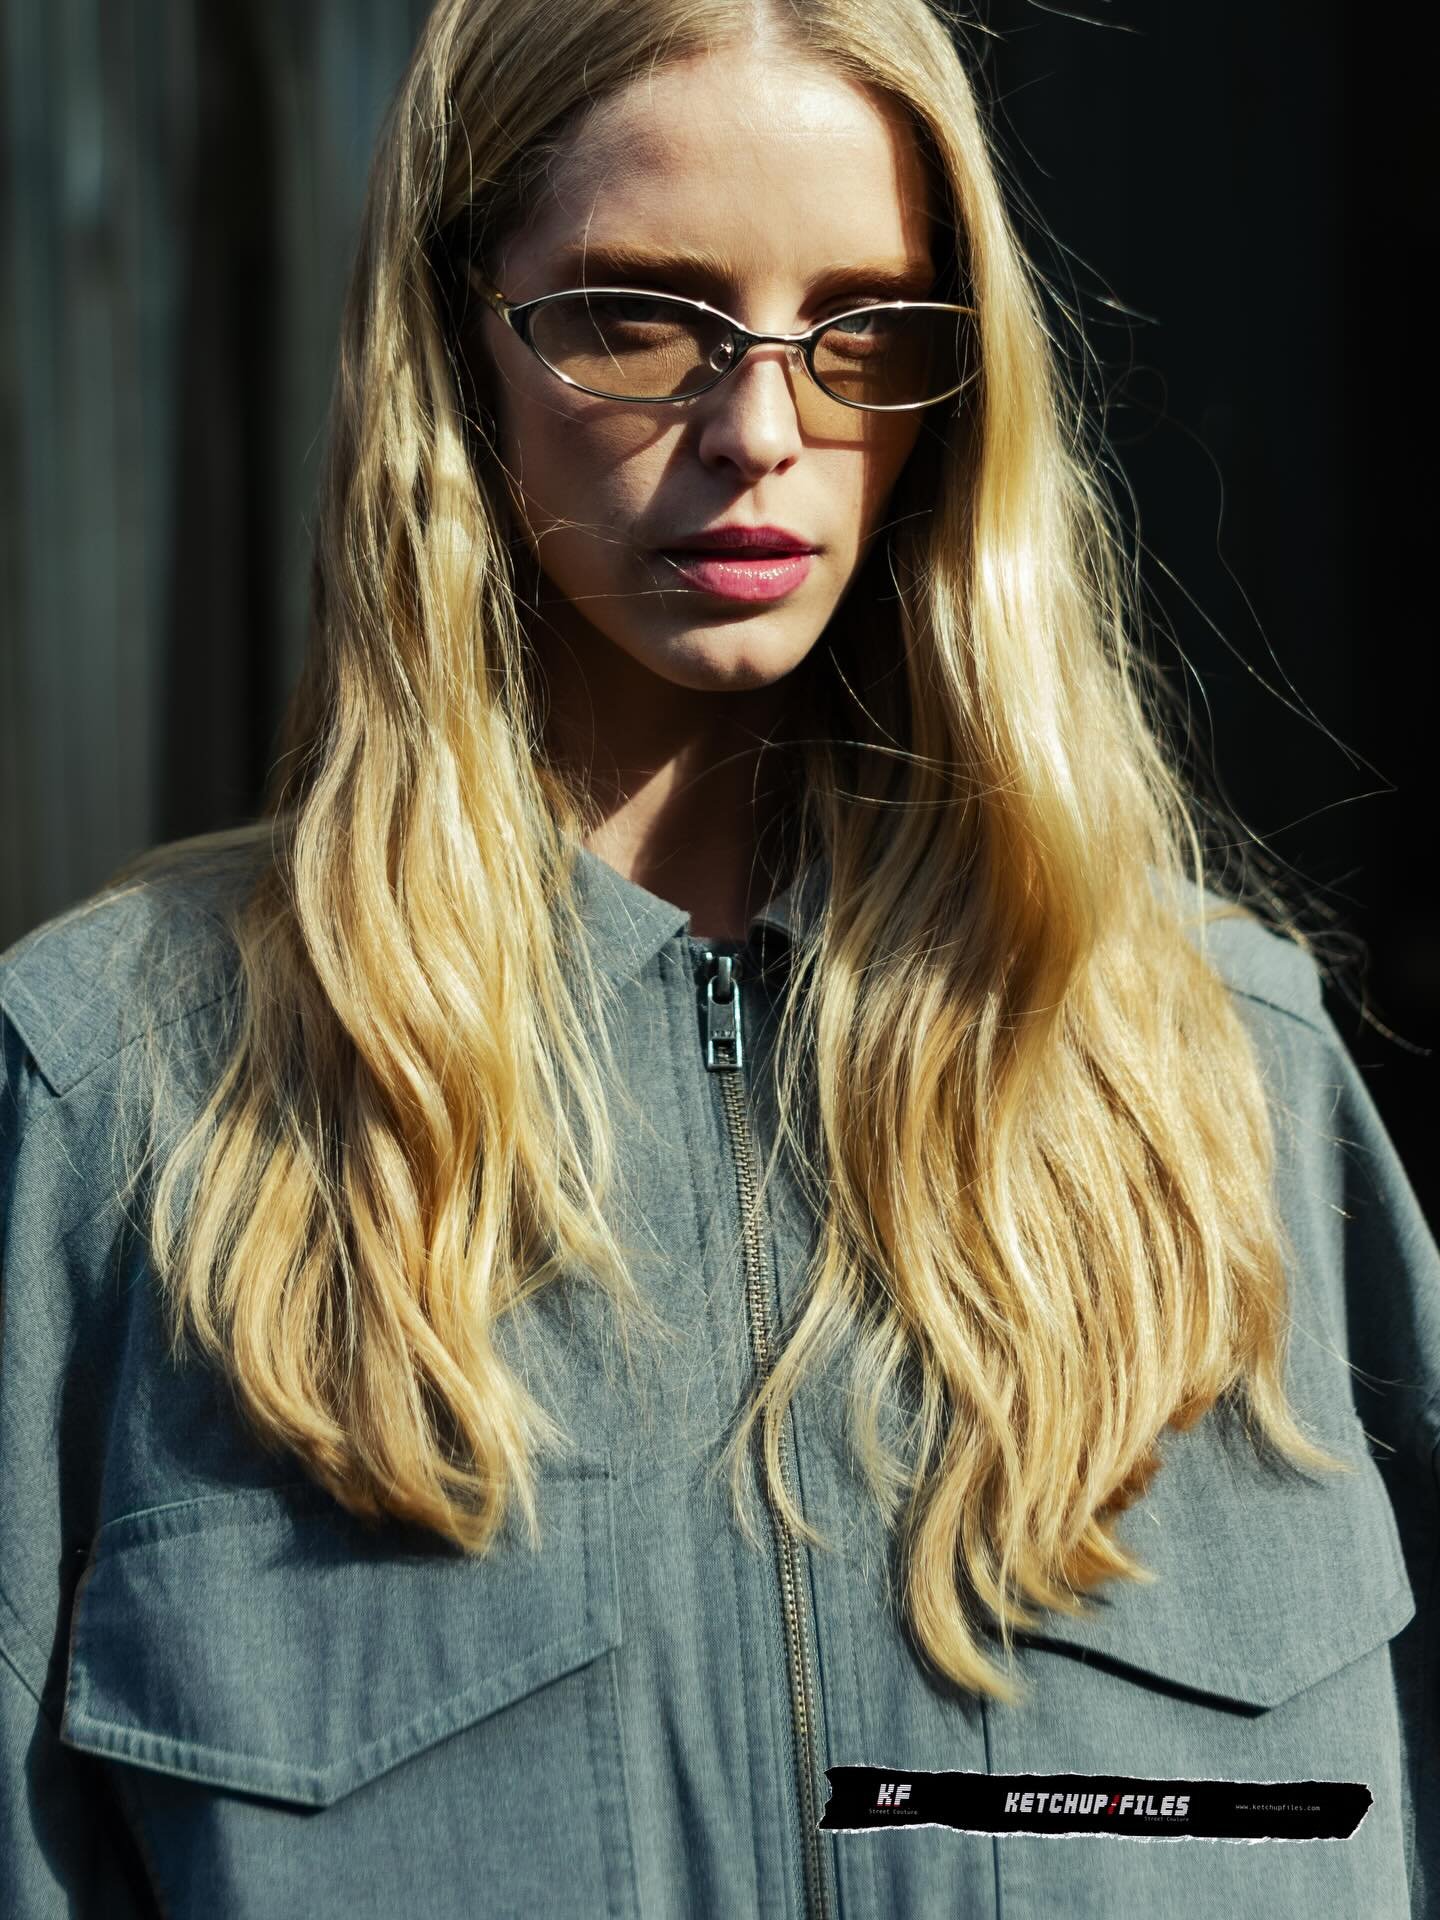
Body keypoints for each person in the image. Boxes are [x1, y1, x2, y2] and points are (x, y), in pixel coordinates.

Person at [1, 0, 1434, 1915]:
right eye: (639, 316)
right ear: (454, 337)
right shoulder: (122, 1095)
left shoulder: (1229, 1073)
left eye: (867, 328)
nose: (764, 430)